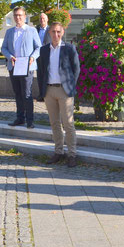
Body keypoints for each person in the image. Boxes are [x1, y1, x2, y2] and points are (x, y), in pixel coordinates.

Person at [37, 22, 81, 167]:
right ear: (49, 33)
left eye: (58, 32)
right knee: (54, 123)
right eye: (53, 32)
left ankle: (72, 154)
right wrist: (42, 92)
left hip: (64, 90)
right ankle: (58, 152)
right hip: (49, 91)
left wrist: (70, 86)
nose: (55, 35)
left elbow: (76, 69)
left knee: (68, 124)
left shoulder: (69, 48)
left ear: (62, 33)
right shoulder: (44, 50)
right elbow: (41, 71)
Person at [1, 6, 41, 128]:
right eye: (16, 15)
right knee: (17, 93)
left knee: (27, 93)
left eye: (20, 15)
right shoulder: (9, 32)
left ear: (24, 17)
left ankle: (30, 120)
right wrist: (9, 56)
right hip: (13, 66)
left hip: (27, 67)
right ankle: (20, 118)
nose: (18, 17)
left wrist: (33, 57)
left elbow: (38, 47)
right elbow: (3, 48)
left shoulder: (32, 30)